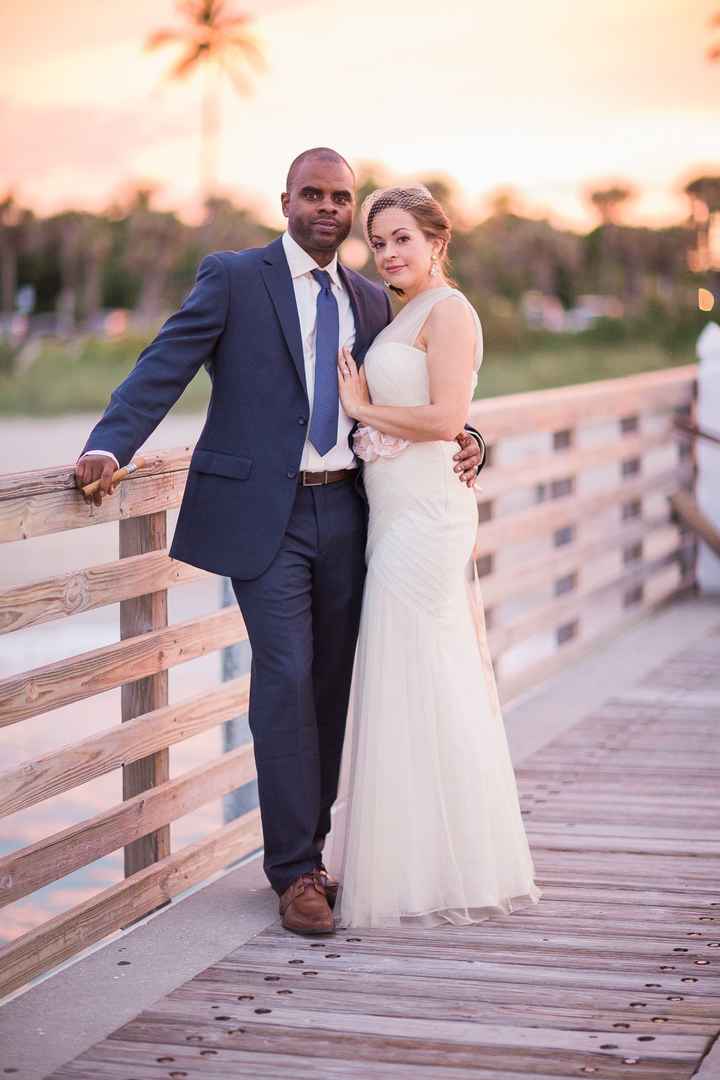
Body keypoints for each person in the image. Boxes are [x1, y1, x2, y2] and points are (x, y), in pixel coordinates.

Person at [74, 149, 485, 936]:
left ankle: (317, 853)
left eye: (341, 197)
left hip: (357, 515)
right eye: (313, 195)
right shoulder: (234, 276)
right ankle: (293, 871)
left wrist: (469, 434)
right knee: (286, 678)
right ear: (286, 201)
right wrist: (110, 445)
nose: (328, 207)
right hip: (269, 517)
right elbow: (163, 366)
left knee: (331, 684)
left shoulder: (374, 298)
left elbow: (423, 389)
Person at [326, 185, 543, 928]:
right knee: (406, 673)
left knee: (420, 664)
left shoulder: (450, 311)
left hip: (427, 515)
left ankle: (440, 864)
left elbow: (448, 416)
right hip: (392, 509)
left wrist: (360, 409)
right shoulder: (399, 310)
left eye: (401, 240)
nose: (387, 253)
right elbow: (441, 409)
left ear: (436, 241)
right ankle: (414, 856)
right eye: (377, 242)